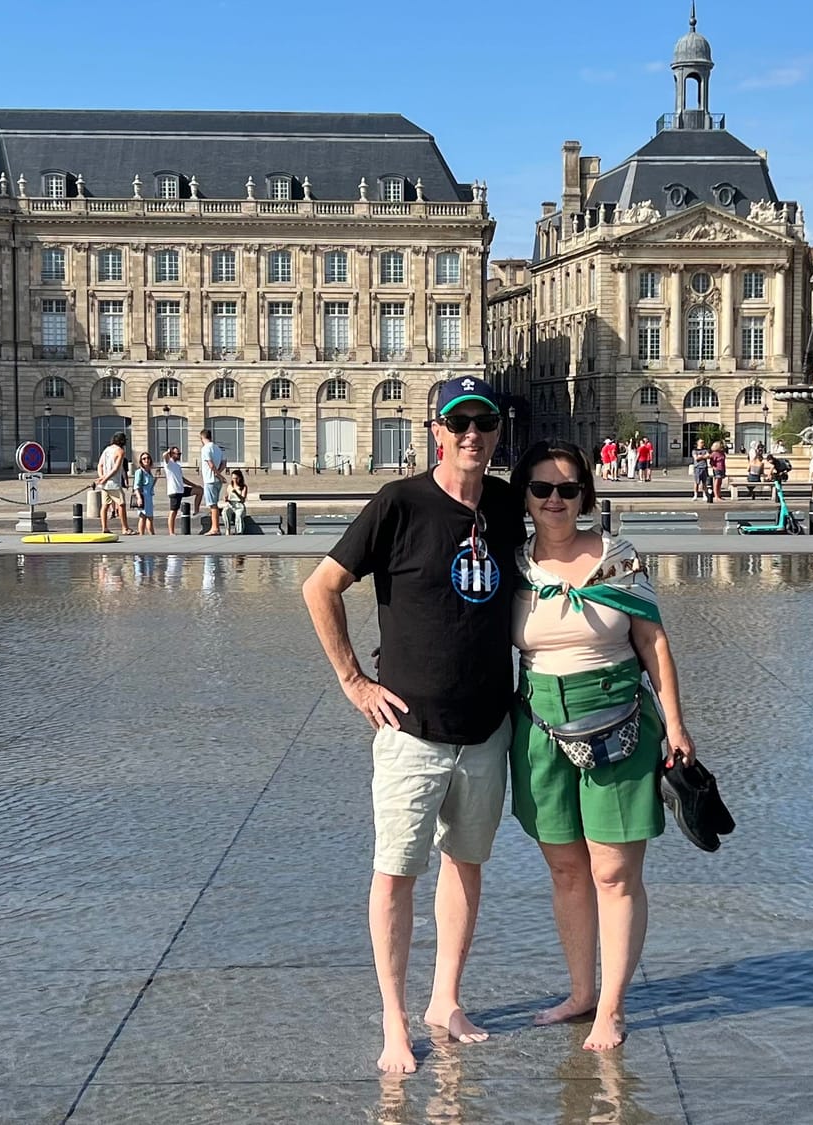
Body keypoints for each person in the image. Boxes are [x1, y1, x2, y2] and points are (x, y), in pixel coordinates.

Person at [302, 377, 523, 1075]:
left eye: (484, 422)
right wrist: (353, 681)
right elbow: (320, 586)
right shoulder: (399, 503)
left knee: (466, 862)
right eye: (459, 422)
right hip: (411, 731)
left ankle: (445, 1000)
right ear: (436, 429)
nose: (472, 435)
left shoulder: (510, 503)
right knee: (395, 873)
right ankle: (395, 1020)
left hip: (487, 728)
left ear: (496, 430)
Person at [508, 439, 694, 1053]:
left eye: (567, 488)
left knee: (613, 873)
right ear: (526, 498)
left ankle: (612, 1006)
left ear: (586, 495)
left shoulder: (618, 558)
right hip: (538, 725)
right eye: (542, 489)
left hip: (620, 721)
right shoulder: (514, 566)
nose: (555, 500)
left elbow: (654, 644)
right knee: (566, 869)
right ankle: (581, 991)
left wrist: (677, 725)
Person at [95, 432, 130, 535]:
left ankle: (104, 527)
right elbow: (115, 469)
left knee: (105, 505)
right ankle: (125, 528)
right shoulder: (120, 451)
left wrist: (102, 477)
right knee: (121, 504)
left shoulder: (107, 449)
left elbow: (100, 465)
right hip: (113, 483)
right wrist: (105, 478)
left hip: (104, 484)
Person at [199, 428, 228, 535]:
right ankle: (215, 527)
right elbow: (224, 462)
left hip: (210, 479)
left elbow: (210, 464)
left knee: (212, 504)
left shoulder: (205, 449)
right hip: (217, 480)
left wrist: (217, 473)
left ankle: (215, 528)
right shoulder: (218, 448)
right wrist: (219, 473)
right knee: (214, 503)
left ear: (202, 438)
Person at [162, 446, 188, 535]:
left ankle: (196, 510)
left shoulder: (177, 466)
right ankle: (171, 531)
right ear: (172, 454)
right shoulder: (169, 463)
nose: (179, 455)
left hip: (181, 490)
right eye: (178, 454)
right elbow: (164, 456)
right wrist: (168, 452)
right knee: (173, 511)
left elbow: (182, 478)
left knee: (199, 491)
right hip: (174, 490)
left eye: (180, 454)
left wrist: (194, 485)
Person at [132, 451, 157, 536]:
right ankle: (143, 534)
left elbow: (150, 486)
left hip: (149, 497)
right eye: (144, 459)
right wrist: (139, 498)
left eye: (148, 458)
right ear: (141, 461)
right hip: (143, 496)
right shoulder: (139, 472)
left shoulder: (149, 472)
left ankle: (150, 533)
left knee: (149, 517)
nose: (146, 460)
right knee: (143, 516)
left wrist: (155, 480)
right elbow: (136, 486)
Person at [223, 468, 250, 534]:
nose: (234, 480)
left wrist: (236, 493)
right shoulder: (230, 486)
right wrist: (225, 498)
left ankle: (239, 532)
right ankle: (227, 529)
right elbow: (227, 496)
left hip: (239, 505)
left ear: (240, 478)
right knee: (225, 512)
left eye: (236, 478)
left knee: (238, 515)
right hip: (231, 504)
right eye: (233, 478)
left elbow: (243, 499)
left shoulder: (243, 487)